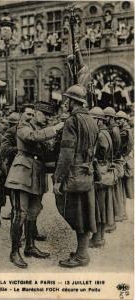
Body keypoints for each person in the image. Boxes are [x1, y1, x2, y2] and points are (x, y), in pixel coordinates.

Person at [6, 103, 64, 268]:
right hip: (21, 176)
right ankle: (14, 252)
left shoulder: (41, 131)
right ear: (37, 113)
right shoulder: (24, 126)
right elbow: (31, 137)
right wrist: (55, 129)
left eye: (49, 116)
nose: (48, 118)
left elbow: (48, 154)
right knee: (20, 213)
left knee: (33, 212)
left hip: (37, 175)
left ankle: (30, 246)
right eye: (45, 115)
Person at [53, 84, 99, 268]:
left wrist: (58, 179)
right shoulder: (91, 120)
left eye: (67, 100)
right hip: (87, 172)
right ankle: (82, 252)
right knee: (86, 212)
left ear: (74, 102)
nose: (65, 103)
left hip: (74, 174)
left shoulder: (72, 121)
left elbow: (66, 154)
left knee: (76, 214)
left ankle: (81, 256)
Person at [89, 107, 114, 248]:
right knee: (102, 205)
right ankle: (99, 236)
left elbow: (99, 153)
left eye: (93, 119)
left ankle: (97, 238)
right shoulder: (106, 132)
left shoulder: (100, 134)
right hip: (105, 169)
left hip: (100, 171)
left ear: (99, 120)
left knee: (98, 206)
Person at [0, 112, 21, 220]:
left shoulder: (14, 131)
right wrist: (19, 149)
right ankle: (14, 211)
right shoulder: (10, 132)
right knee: (13, 191)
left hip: (17, 167)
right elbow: (4, 150)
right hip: (13, 165)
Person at [116, 111, 133, 200]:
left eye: (120, 119)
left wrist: (123, 155)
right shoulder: (126, 129)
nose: (118, 121)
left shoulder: (124, 131)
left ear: (125, 120)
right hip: (127, 158)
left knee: (126, 182)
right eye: (117, 119)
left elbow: (128, 146)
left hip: (125, 158)